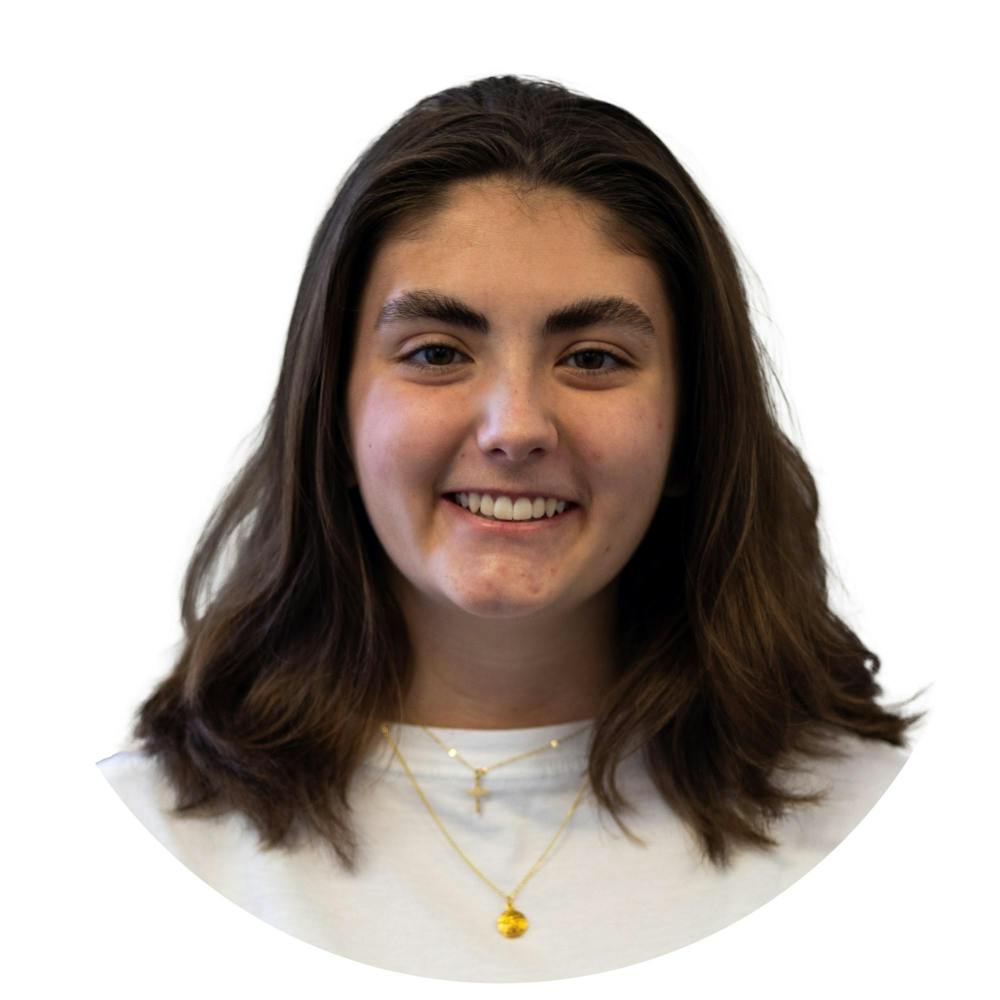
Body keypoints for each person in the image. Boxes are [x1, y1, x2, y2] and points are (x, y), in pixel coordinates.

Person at [96, 74, 927, 983]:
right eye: (437, 352)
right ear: (331, 411)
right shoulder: (133, 851)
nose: (516, 427)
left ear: (694, 425)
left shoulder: (894, 842)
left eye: (594, 359)